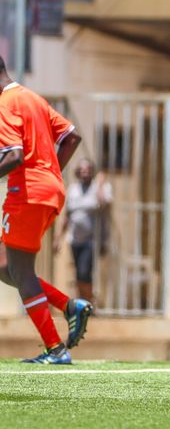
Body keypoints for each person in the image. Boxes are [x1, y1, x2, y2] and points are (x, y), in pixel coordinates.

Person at [0, 56, 93, 364]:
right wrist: (50, 174)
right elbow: (72, 137)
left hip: (25, 192)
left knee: (21, 272)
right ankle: (69, 306)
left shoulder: (5, 102)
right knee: (5, 266)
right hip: (50, 191)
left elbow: (13, 156)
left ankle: (56, 349)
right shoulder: (31, 97)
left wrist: (37, 177)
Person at [54, 158, 112, 303]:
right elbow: (66, 216)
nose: (84, 172)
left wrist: (100, 184)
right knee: (79, 273)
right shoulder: (72, 189)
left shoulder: (98, 187)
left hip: (91, 239)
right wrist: (58, 238)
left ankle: (87, 302)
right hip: (74, 239)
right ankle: (83, 303)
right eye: (82, 170)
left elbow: (103, 203)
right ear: (78, 172)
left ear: (92, 171)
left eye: (87, 170)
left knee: (84, 271)